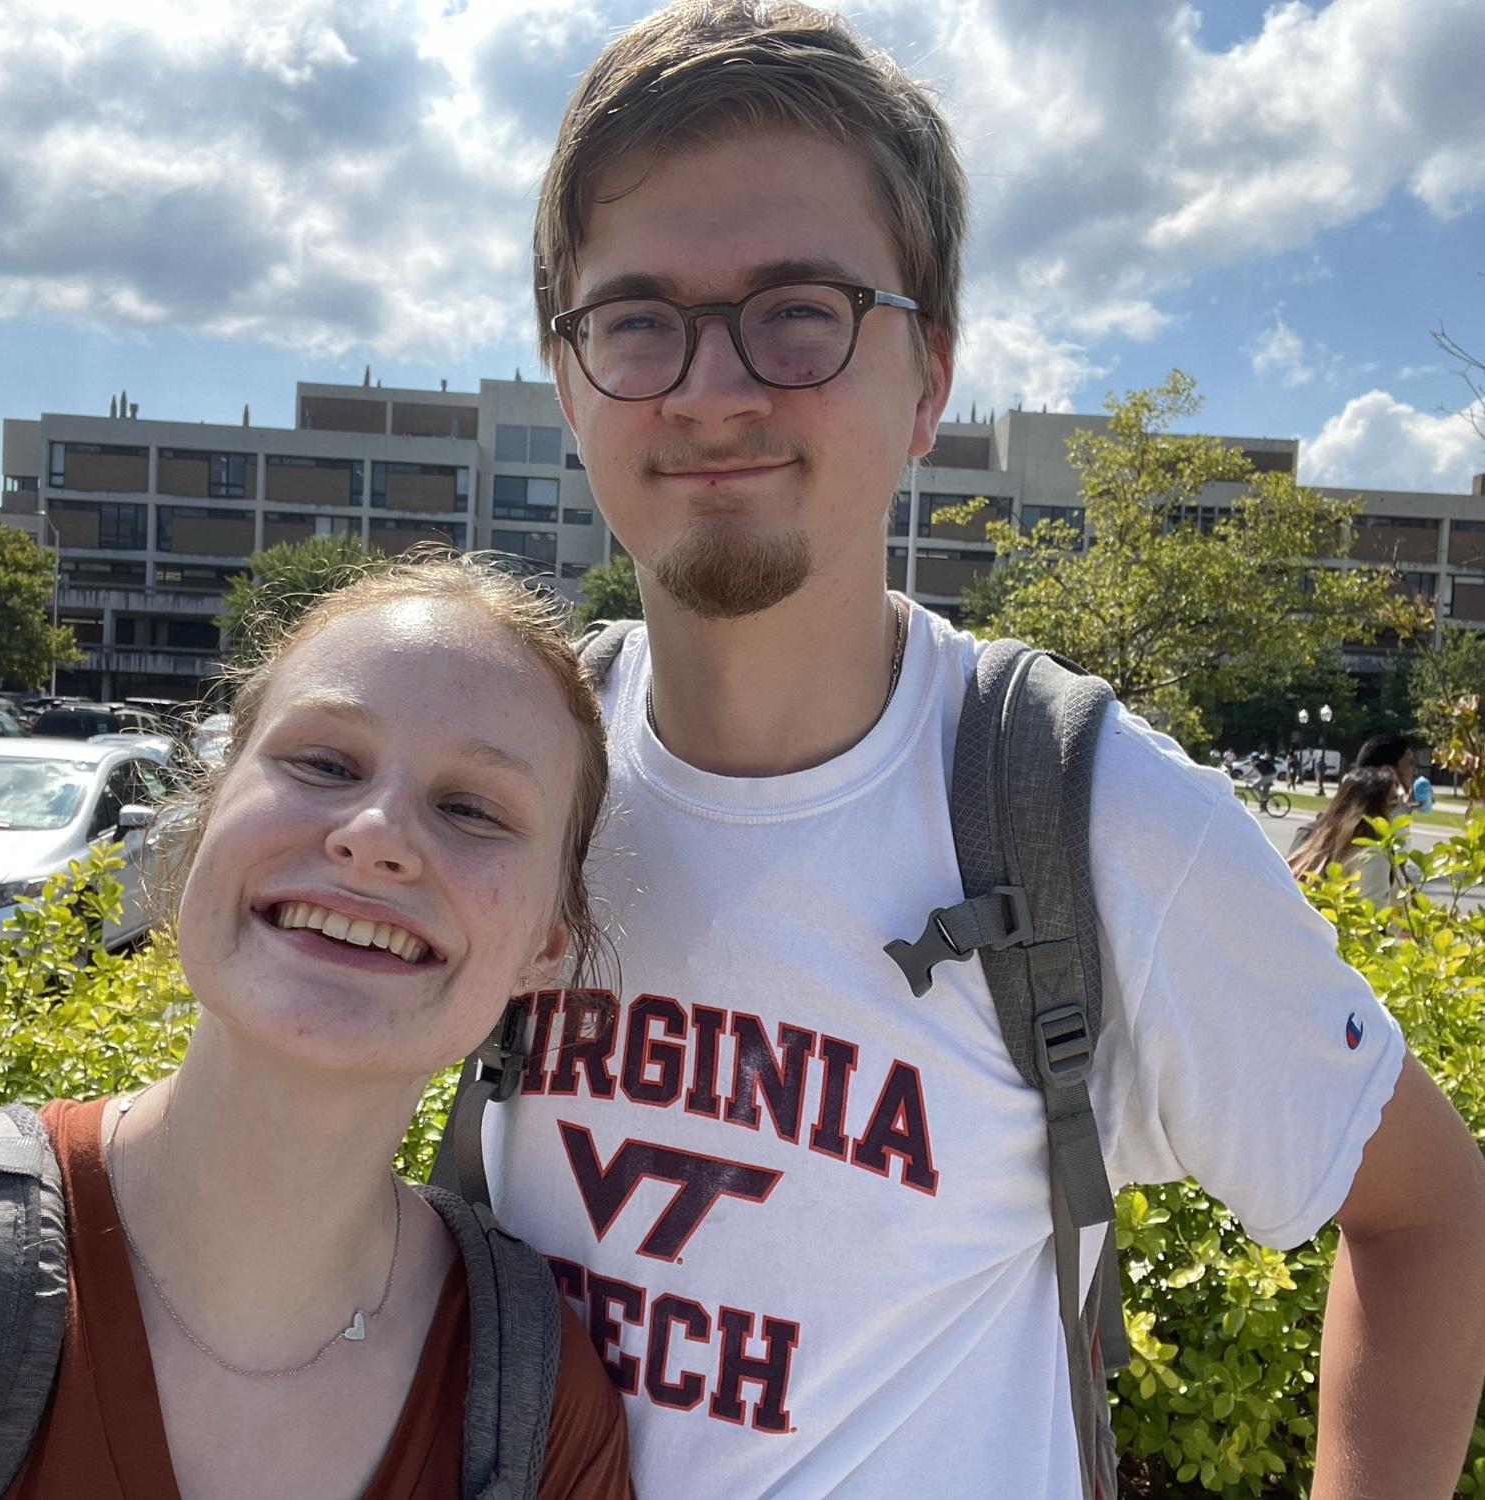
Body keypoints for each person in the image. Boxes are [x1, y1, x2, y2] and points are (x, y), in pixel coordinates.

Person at [481, 5, 1485, 1497]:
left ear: (930, 379)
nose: (712, 387)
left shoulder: (1093, 814)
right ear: (569, 384)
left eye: (800, 308)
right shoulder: (501, 785)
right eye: (636, 320)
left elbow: (1423, 1211)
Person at [0, 558, 633, 1499]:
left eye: (471, 809)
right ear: (206, 813)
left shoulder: (544, 1409)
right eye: (323, 764)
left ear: (547, 942)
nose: (374, 834)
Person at [1287, 767, 1408, 905]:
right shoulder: (1372, 855)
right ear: (1376, 809)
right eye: (1392, 805)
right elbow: (1368, 919)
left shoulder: (1315, 836)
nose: (1399, 811)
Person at [1354, 734, 1418, 803]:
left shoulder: (1353, 810)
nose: (1415, 771)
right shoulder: (1396, 813)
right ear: (1387, 772)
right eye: (1410, 764)